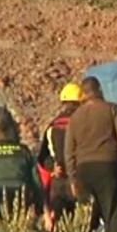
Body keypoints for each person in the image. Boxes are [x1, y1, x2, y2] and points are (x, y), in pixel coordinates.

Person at [64, 77, 117, 232]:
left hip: (84, 171)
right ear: (99, 90)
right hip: (109, 168)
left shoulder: (75, 117)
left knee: (86, 220)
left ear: (83, 94)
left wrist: (73, 178)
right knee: (114, 215)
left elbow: (69, 151)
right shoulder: (112, 109)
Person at [37, 82, 82, 224]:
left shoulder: (53, 125)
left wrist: (52, 169)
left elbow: (42, 157)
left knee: (59, 227)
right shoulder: (84, 124)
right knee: (82, 226)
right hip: (78, 180)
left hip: (58, 183)